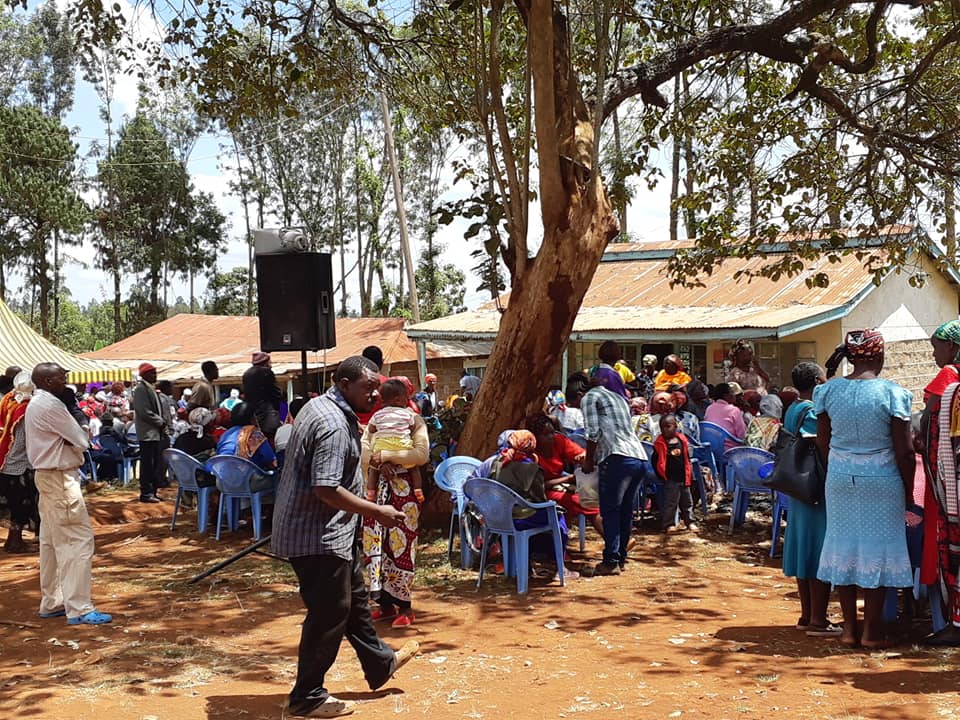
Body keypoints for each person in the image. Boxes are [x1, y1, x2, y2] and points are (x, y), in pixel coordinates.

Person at [271, 356, 419, 718]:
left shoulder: (319, 406)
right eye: (368, 388)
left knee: (352, 600)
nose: (375, 394)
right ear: (344, 384)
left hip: (331, 530)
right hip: (316, 535)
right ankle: (307, 697)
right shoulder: (334, 424)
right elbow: (326, 488)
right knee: (329, 612)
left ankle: (379, 663)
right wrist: (376, 511)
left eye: (377, 387)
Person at [814, 329, 914, 649]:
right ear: (879, 356)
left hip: (840, 478)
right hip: (883, 480)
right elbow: (905, 451)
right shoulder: (893, 393)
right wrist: (909, 490)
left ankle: (848, 630)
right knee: (878, 551)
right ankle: (871, 632)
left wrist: (838, 467)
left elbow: (822, 441)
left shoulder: (828, 391)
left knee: (842, 547)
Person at [25, 363, 111, 626]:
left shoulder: (37, 402)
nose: (65, 383)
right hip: (61, 478)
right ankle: (79, 607)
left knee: (51, 542)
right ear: (48, 381)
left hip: (47, 476)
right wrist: (78, 433)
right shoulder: (51, 405)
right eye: (61, 378)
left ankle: (52, 602)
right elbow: (82, 440)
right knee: (76, 541)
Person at [361, 381, 430, 629]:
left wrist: (388, 456)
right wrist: (380, 464)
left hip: (405, 492)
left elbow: (421, 455)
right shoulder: (376, 420)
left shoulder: (415, 421)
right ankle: (385, 604)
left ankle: (405, 607)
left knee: (402, 545)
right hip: (377, 491)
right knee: (376, 543)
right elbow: (365, 450)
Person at [780, 362, 840, 637]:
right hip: (817, 486)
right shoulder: (814, 411)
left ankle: (806, 615)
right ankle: (819, 619)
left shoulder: (793, 408)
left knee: (803, 548)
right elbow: (824, 444)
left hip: (799, 486)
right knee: (818, 550)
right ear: (817, 382)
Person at [581, 369, 649, 576]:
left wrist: (589, 460)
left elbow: (593, 433)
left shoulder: (591, 397)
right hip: (638, 457)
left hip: (616, 457)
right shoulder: (619, 398)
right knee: (625, 511)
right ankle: (620, 557)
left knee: (610, 511)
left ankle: (610, 562)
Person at [920, 320, 960, 645]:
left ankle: (955, 621)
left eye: (937, 347)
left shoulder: (950, 379)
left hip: (951, 485)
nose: (934, 354)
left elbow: (929, 421)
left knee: (951, 548)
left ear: (952, 347)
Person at [524, 412, 602, 535]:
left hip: (560, 486)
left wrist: (582, 457)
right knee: (583, 501)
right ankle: (613, 540)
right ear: (535, 437)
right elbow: (537, 487)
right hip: (540, 494)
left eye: (552, 432)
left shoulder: (559, 441)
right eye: (545, 435)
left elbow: (578, 453)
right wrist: (567, 479)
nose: (551, 437)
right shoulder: (530, 455)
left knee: (592, 496)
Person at [0, 371, 39, 552]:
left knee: (14, 503)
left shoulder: (8, 400)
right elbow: (21, 440)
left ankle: (13, 540)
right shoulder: (24, 408)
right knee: (21, 503)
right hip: (18, 464)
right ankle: (15, 541)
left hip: (5, 460)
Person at [652, 414, 698, 534]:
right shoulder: (660, 443)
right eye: (662, 427)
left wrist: (689, 473)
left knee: (687, 502)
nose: (665, 430)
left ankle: (690, 522)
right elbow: (655, 461)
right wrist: (661, 476)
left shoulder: (682, 440)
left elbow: (687, 458)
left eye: (668, 426)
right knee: (671, 503)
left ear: (675, 426)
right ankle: (669, 524)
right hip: (670, 479)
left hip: (683, 477)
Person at [133, 363, 166, 504]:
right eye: (152, 373)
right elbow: (144, 411)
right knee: (147, 464)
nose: (155, 375)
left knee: (155, 464)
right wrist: (160, 421)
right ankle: (146, 492)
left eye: (155, 373)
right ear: (144, 375)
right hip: (147, 433)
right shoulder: (141, 389)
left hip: (155, 433)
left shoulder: (151, 388)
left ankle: (153, 491)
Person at [217, 401, 278, 473]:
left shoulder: (226, 434)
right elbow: (272, 462)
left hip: (223, 477)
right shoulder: (255, 434)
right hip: (246, 478)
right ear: (252, 419)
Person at [704, 383, 746, 448]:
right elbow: (742, 435)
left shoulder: (709, 408)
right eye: (732, 392)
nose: (734, 395)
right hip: (730, 449)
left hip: (711, 447)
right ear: (725, 396)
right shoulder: (734, 410)